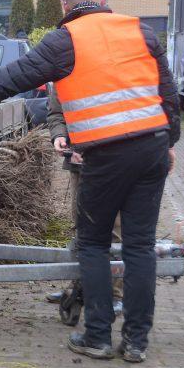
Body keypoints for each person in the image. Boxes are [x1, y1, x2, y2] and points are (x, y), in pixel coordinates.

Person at [0, 0, 180, 362]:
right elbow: (168, 94)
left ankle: (98, 337)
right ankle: (137, 341)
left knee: (93, 243)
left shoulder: (65, 40)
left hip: (105, 157)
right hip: (151, 149)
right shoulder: (140, 31)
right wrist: (170, 143)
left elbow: (11, 78)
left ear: (64, 6)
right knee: (139, 246)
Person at [45, 87, 124, 317]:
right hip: (79, 163)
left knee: (114, 229)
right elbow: (56, 112)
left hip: (113, 163)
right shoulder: (65, 71)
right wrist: (59, 135)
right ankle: (79, 287)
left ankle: (115, 295)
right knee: (80, 227)